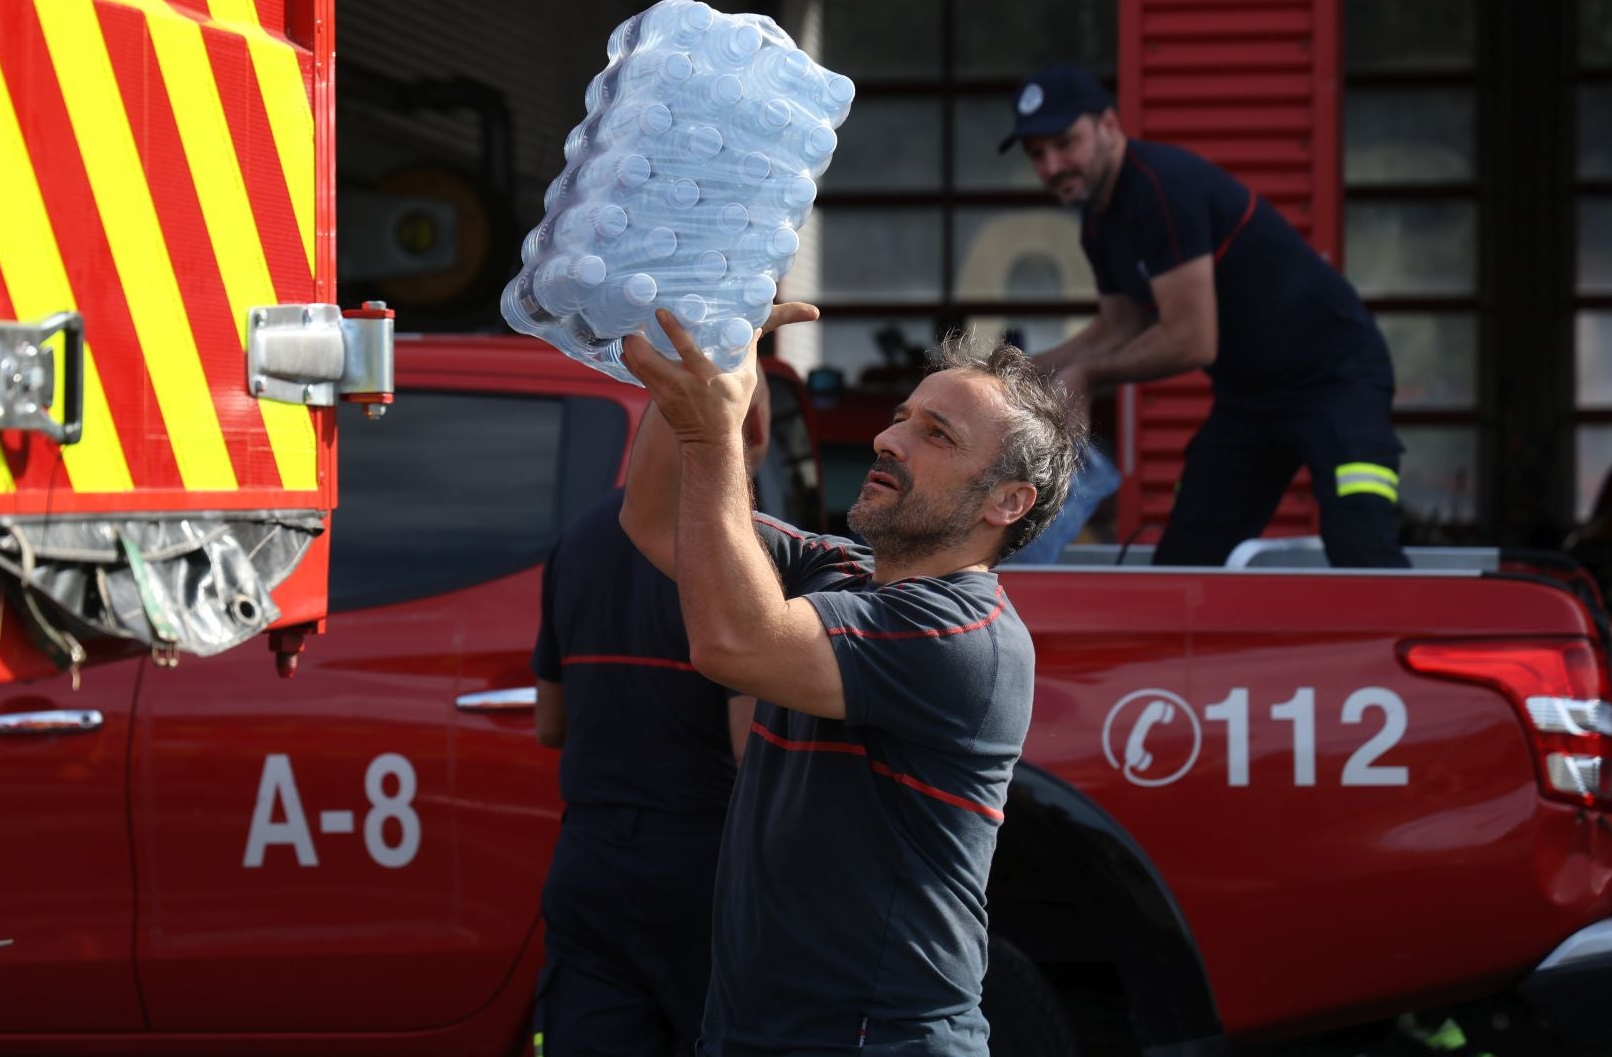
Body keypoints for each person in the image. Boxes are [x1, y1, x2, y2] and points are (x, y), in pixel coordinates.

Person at [618, 305, 1083, 1056]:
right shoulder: (838, 568)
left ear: (1007, 501)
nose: (888, 438)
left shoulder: (963, 637)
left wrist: (712, 432)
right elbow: (654, 515)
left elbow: (735, 643)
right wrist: (709, 344)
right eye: (902, 417)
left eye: (936, 434)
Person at [1004, 63, 1410, 568]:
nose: (1051, 166)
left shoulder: (1163, 188)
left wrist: (1086, 375)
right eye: (1037, 154)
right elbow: (1120, 326)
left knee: (1362, 552)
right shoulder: (1099, 221)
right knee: (1187, 561)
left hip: (1337, 380)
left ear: (1109, 125)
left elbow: (1192, 340)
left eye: (1065, 143)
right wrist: (1022, 372)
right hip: (1250, 398)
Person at [529, 383, 771, 1057]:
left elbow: (552, 723)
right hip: (702, 863)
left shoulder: (578, 539)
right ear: (743, 432)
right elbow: (752, 750)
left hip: (590, 860)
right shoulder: (741, 559)